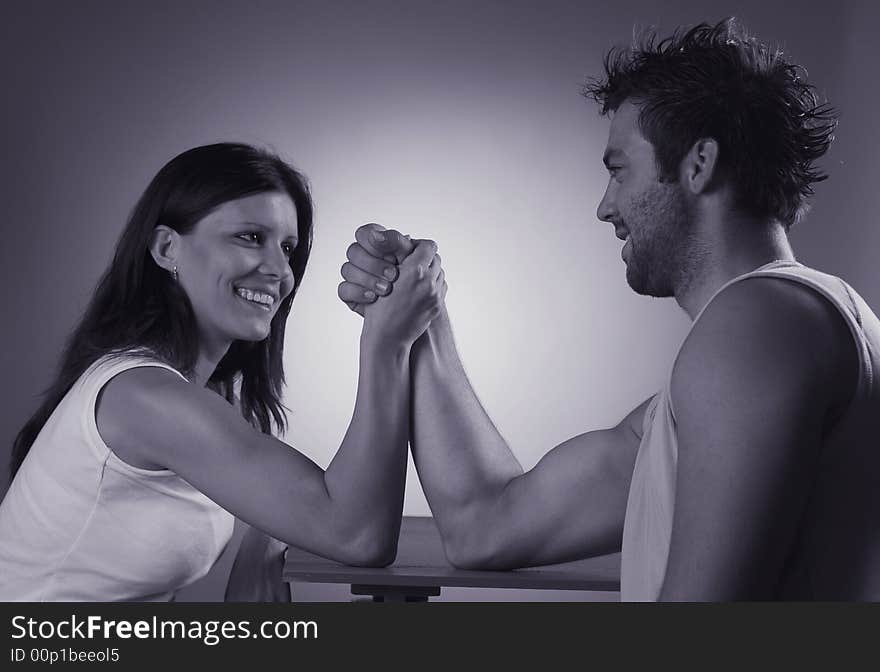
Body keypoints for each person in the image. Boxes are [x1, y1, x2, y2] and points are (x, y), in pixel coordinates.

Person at [338, 19, 880, 600]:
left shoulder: (758, 328)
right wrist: (421, 312)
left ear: (698, 165)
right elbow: (485, 526)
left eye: (618, 171)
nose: (605, 206)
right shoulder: (766, 343)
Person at [0, 143, 446, 601]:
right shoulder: (142, 396)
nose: (279, 270)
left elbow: (313, 516)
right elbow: (359, 536)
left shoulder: (198, 394)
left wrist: (266, 537)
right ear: (167, 248)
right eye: (250, 237)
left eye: (288, 247)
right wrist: (386, 342)